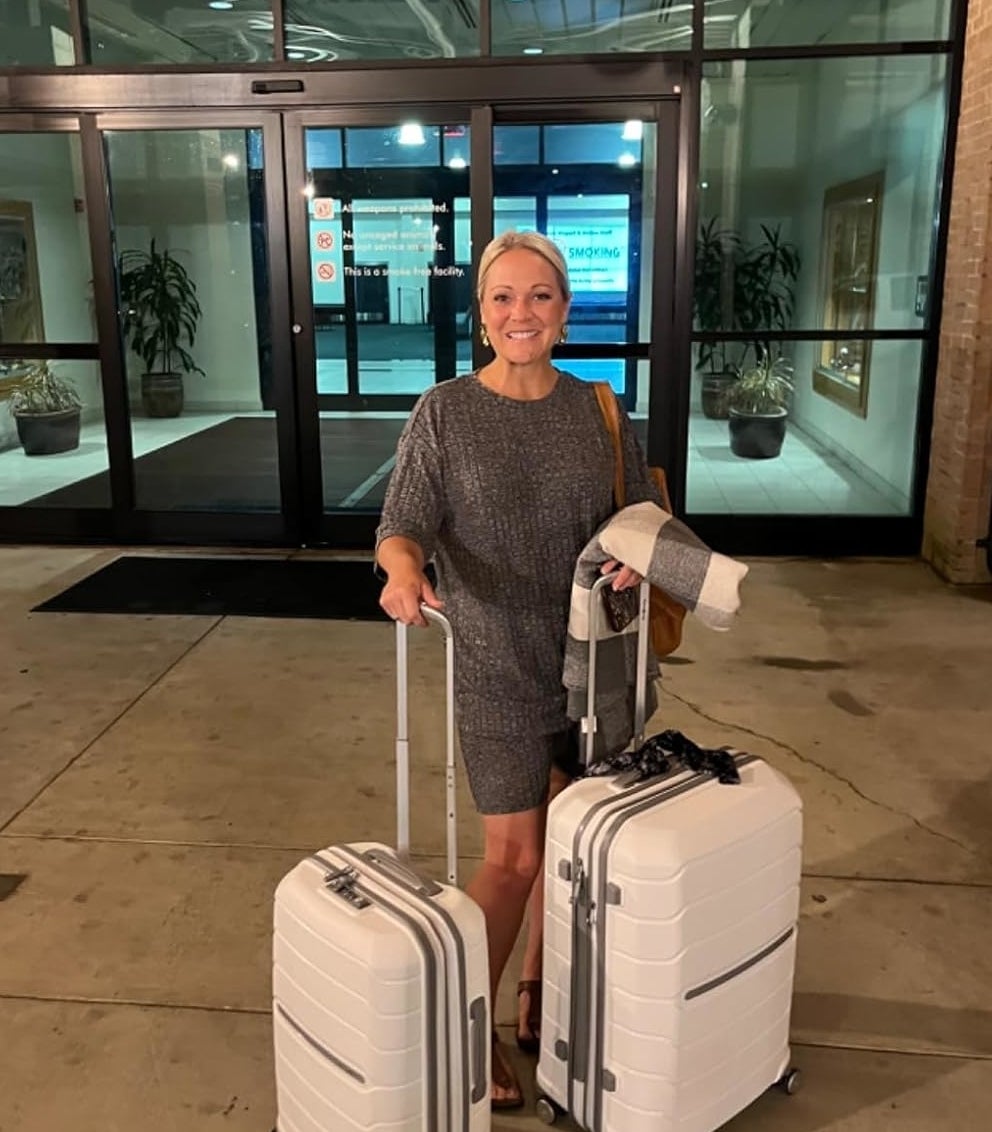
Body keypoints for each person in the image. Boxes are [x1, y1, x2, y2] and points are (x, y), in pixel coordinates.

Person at [375, 230, 661, 1109]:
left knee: (572, 848)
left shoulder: (601, 409)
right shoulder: (446, 412)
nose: (520, 313)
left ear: (566, 312)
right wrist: (402, 571)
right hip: (494, 661)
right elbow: (404, 516)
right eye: (502, 297)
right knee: (514, 857)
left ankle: (540, 992)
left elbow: (643, 514)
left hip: (595, 664)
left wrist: (641, 555)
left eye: (539, 296)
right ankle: (469, 1026)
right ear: (481, 315)